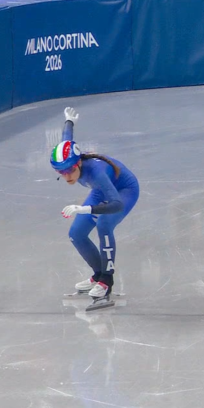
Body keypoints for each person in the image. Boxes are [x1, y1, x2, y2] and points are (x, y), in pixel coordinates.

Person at [50, 106, 140, 302]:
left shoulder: (97, 173)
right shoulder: (72, 160)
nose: (66, 176)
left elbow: (117, 204)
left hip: (124, 190)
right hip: (101, 191)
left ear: (78, 163)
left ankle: (107, 280)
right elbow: (66, 139)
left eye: (69, 170)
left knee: (104, 225)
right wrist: (69, 121)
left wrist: (85, 208)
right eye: (61, 172)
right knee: (76, 233)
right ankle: (98, 274)